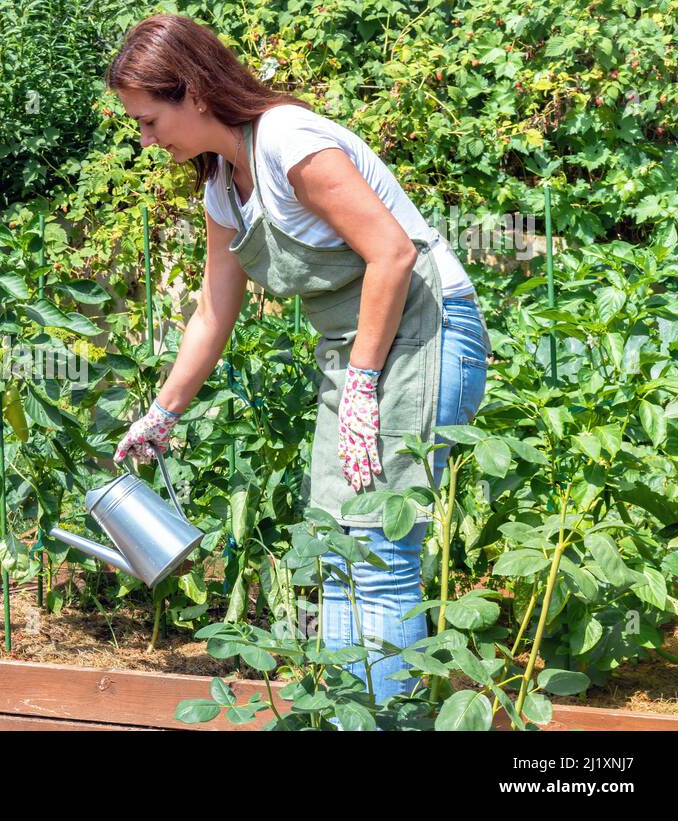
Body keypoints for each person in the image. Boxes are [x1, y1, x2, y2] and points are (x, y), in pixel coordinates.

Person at [107, 14, 490, 707]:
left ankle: (388, 721)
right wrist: (161, 414)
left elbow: (394, 253)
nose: (145, 139)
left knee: (378, 548)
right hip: (358, 354)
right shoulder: (223, 186)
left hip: (423, 333)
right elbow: (211, 313)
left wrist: (365, 385)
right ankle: (350, 719)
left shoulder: (289, 141)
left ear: (192, 93)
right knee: (336, 549)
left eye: (148, 120)